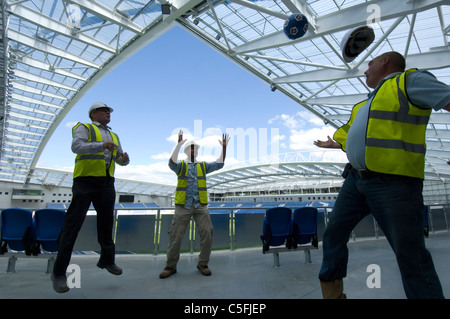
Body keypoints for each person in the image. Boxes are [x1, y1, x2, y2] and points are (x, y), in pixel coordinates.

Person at [314, 51, 450, 299]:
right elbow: (363, 137)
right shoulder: (366, 102)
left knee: (410, 254)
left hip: (394, 182)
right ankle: (332, 295)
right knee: (333, 235)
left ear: (385, 61)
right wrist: (337, 144)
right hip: (356, 180)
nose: (365, 69)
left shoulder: (409, 81)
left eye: (370, 63)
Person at [51, 102, 130, 293]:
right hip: (85, 182)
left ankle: (107, 260)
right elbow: (76, 147)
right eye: (104, 111)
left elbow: (118, 159)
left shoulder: (114, 135)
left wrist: (124, 160)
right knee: (72, 226)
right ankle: (59, 273)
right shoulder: (83, 127)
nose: (108, 113)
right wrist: (101, 145)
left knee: (106, 223)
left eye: (109, 111)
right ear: (93, 114)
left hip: (106, 182)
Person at [159, 130, 230, 278]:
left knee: (207, 234)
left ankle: (203, 264)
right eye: (191, 147)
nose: (194, 150)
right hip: (182, 206)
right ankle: (170, 266)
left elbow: (219, 164)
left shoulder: (203, 166)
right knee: (175, 236)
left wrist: (224, 148)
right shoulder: (181, 166)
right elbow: (171, 163)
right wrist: (178, 145)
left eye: (196, 148)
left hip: (201, 206)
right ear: (185, 151)